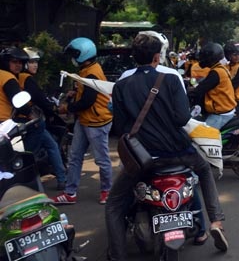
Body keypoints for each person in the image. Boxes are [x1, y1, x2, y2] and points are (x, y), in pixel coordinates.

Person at [106, 33, 227, 260]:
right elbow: (182, 118)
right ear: (156, 57)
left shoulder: (121, 86)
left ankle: (117, 255)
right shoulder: (170, 79)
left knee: (113, 204)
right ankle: (216, 220)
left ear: (134, 57)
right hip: (179, 153)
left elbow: (120, 126)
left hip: (142, 159)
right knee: (203, 170)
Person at [53, 37, 113, 205]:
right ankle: (70, 193)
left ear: (83, 54)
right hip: (85, 120)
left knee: (101, 159)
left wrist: (67, 108)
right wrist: (74, 93)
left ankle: (107, 191)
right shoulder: (86, 70)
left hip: (97, 121)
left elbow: (88, 101)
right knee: (75, 156)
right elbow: (84, 92)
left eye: (74, 54)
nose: (72, 58)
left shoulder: (92, 72)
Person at [18, 47, 67, 190]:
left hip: (23, 119)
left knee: (51, 145)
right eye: (32, 62)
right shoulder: (26, 79)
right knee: (30, 153)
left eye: (36, 62)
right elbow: (40, 99)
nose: (35, 65)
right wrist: (53, 109)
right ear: (25, 63)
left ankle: (62, 179)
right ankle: (27, 181)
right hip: (31, 121)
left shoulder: (17, 77)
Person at [188, 43, 236, 129]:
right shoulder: (220, 69)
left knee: (202, 136)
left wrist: (186, 92)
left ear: (210, 58)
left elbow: (199, 90)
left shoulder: (216, 73)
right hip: (224, 109)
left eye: (204, 57)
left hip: (221, 114)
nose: (202, 60)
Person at [0, 47, 30, 122]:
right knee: (39, 127)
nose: (18, 65)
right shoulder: (8, 78)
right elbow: (20, 104)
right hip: (3, 122)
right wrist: (30, 113)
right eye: (14, 62)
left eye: (20, 63)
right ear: (5, 62)